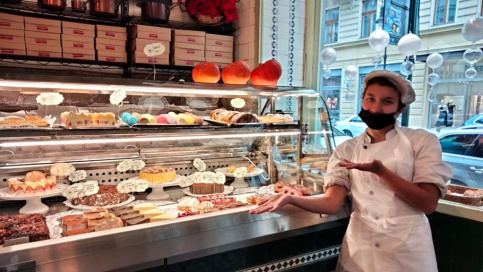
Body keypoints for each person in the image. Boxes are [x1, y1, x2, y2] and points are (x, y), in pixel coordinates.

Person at [250, 70, 452, 272]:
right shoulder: (346, 149)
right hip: (361, 246)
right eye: (370, 99)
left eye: (387, 102)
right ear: (362, 100)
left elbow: (428, 203)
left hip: (406, 248)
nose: (375, 108)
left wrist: (381, 172)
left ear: (399, 109)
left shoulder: (422, 141)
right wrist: (291, 199)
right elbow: (331, 203)